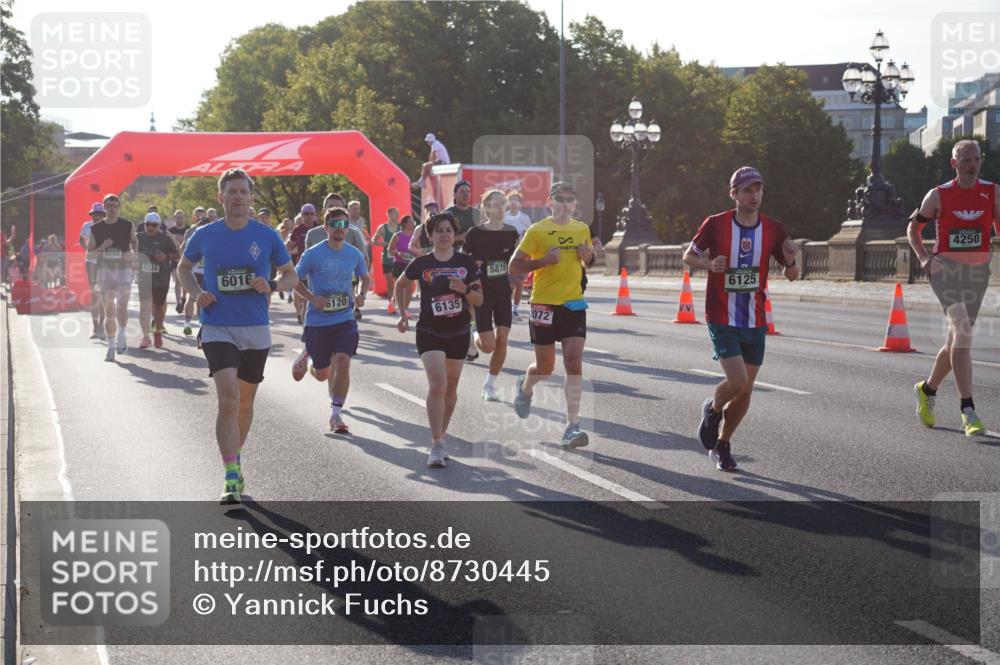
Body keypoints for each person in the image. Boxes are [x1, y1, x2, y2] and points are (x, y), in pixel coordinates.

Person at [177, 168, 297, 504]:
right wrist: (196, 293)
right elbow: (183, 268)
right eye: (232, 192)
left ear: (251, 198)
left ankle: (236, 454)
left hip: (255, 328)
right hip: (217, 325)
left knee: (245, 402)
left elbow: (291, 276)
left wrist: (271, 284)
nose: (238, 198)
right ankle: (231, 475)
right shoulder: (205, 234)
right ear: (221, 197)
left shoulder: (267, 236)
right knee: (228, 399)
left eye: (243, 192)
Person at [683, 167, 799, 472]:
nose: (754, 195)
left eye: (758, 189)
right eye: (748, 190)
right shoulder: (716, 224)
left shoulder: (773, 228)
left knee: (746, 390)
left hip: (755, 319)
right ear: (734, 194)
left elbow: (792, 274)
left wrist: (791, 259)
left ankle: (723, 444)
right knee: (738, 381)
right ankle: (713, 408)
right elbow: (688, 256)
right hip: (722, 315)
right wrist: (709, 264)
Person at [908, 139, 998, 437]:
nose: (972, 165)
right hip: (944, 270)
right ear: (954, 163)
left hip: (977, 273)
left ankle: (927, 389)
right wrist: (924, 258)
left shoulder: (993, 192)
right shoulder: (938, 195)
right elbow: (913, 228)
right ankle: (968, 409)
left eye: (976, 159)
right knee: (964, 331)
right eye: (965, 160)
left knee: (955, 343)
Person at [509, 182, 595, 449]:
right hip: (543, 305)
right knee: (545, 368)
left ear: (574, 204)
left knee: (573, 362)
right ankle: (525, 387)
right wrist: (542, 262)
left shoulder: (581, 229)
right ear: (549, 202)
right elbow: (514, 266)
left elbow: (589, 262)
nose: (565, 204)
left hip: (573, 304)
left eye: (570, 200)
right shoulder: (537, 230)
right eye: (560, 199)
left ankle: (572, 426)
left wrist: (589, 257)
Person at [395, 212, 483, 467]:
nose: (444, 235)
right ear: (430, 236)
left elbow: (479, 300)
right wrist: (402, 313)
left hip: (458, 332)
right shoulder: (422, 263)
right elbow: (400, 284)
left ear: (454, 235)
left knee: (451, 389)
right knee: (438, 385)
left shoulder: (466, 263)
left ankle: (440, 438)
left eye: (448, 230)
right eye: (439, 231)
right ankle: (435, 444)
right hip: (429, 331)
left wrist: (464, 290)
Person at [291, 207, 371, 433]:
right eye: (335, 224)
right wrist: (312, 298)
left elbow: (365, 278)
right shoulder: (312, 254)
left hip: (345, 319)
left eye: (344, 224)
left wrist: (362, 295)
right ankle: (309, 358)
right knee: (322, 374)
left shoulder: (353, 254)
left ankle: (336, 414)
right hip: (318, 322)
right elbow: (294, 280)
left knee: (344, 361)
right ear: (326, 227)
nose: (340, 228)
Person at [464, 190, 520, 400]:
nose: (500, 207)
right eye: (495, 204)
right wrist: (473, 264)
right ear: (486, 208)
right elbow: (462, 260)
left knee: (502, 338)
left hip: (503, 291)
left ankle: (489, 385)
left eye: (503, 203)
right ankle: (474, 332)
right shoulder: (475, 233)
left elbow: (517, 259)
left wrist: (516, 274)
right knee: (489, 346)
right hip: (482, 293)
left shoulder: (511, 232)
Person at [87, 193, 137, 361]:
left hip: (123, 270)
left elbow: (134, 241)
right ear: (105, 207)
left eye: (115, 206)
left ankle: (121, 335)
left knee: (122, 306)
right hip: (105, 272)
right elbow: (90, 255)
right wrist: (103, 246)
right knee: (109, 311)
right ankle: (110, 347)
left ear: (119, 207)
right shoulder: (96, 229)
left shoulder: (127, 225)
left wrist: (133, 254)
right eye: (109, 206)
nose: (112, 209)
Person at [136, 212, 180, 348]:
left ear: (159, 226)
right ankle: (145, 337)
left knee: (158, 307)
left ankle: (157, 332)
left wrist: (166, 256)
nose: (150, 227)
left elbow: (177, 255)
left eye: (154, 225)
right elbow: (131, 253)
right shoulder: (139, 238)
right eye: (148, 224)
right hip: (144, 277)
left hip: (161, 278)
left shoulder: (165, 239)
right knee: (144, 306)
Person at [288, 203, 320, 324]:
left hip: (316, 266)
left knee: (309, 297)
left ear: (315, 215)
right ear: (302, 215)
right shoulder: (298, 229)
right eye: (306, 214)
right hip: (301, 266)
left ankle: (307, 324)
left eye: (311, 214)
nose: (309, 216)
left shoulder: (319, 228)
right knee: (300, 296)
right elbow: (289, 245)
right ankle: (300, 317)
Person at [180, 214, 212, 336]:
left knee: (205, 299)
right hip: (195, 272)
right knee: (192, 297)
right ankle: (187, 323)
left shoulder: (214, 239)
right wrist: (185, 265)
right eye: (200, 226)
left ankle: (201, 324)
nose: (201, 229)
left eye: (204, 226)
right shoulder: (193, 239)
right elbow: (182, 249)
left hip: (208, 273)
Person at [79, 202, 107, 338]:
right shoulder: (86, 226)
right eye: (95, 214)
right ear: (91, 215)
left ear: (103, 215)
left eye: (100, 214)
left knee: (103, 295)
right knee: (94, 294)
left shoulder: (108, 226)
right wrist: (87, 249)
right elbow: (81, 239)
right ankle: (95, 327)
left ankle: (102, 325)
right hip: (90, 262)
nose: (97, 217)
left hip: (105, 263)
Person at [503, 191, 533, 322]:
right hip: (507, 254)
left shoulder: (525, 218)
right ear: (507, 203)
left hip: (522, 254)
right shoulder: (504, 217)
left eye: (516, 200)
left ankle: (515, 309)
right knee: (509, 284)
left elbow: (531, 234)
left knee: (519, 283)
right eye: (511, 200)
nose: (514, 202)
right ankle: (507, 308)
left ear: (520, 203)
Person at [387, 215, 418, 313]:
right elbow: (390, 249)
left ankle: (405, 310)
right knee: (399, 286)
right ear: (404, 224)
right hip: (399, 264)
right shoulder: (397, 235)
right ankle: (393, 302)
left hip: (411, 264)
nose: (413, 224)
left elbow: (418, 249)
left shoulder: (415, 236)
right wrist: (398, 253)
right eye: (410, 222)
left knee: (409, 288)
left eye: (413, 222)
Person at [373, 207, 401, 313]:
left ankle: (397, 302)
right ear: (389, 214)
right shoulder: (383, 228)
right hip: (387, 258)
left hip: (399, 258)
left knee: (398, 281)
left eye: (397, 213)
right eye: (395, 213)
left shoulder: (401, 227)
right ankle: (391, 304)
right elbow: (374, 240)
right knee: (389, 282)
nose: (397, 215)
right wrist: (381, 243)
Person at [168, 210, 188, 312]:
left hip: (186, 259)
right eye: (177, 217)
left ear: (184, 218)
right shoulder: (170, 230)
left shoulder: (188, 230)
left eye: (181, 217)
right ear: (174, 218)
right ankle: (178, 303)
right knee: (177, 280)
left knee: (184, 281)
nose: (179, 219)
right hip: (174, 259)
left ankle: (183, 298)